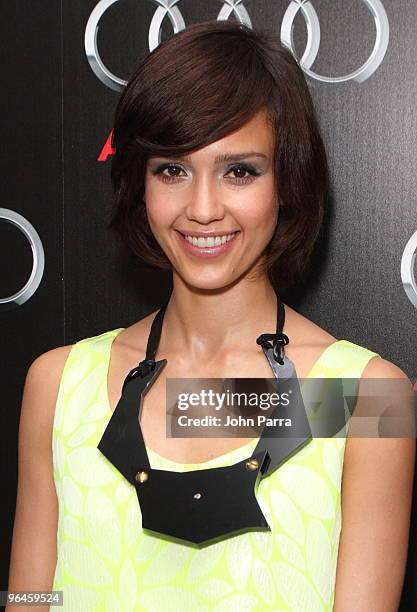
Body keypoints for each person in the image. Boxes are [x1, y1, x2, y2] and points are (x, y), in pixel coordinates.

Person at [7, 20, 415, 612]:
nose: (202, 209)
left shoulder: (365, 396)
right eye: (172, 169)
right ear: (139, 184)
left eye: (239, 171)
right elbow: (27, 595)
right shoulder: (58, 382)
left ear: (287, 182)